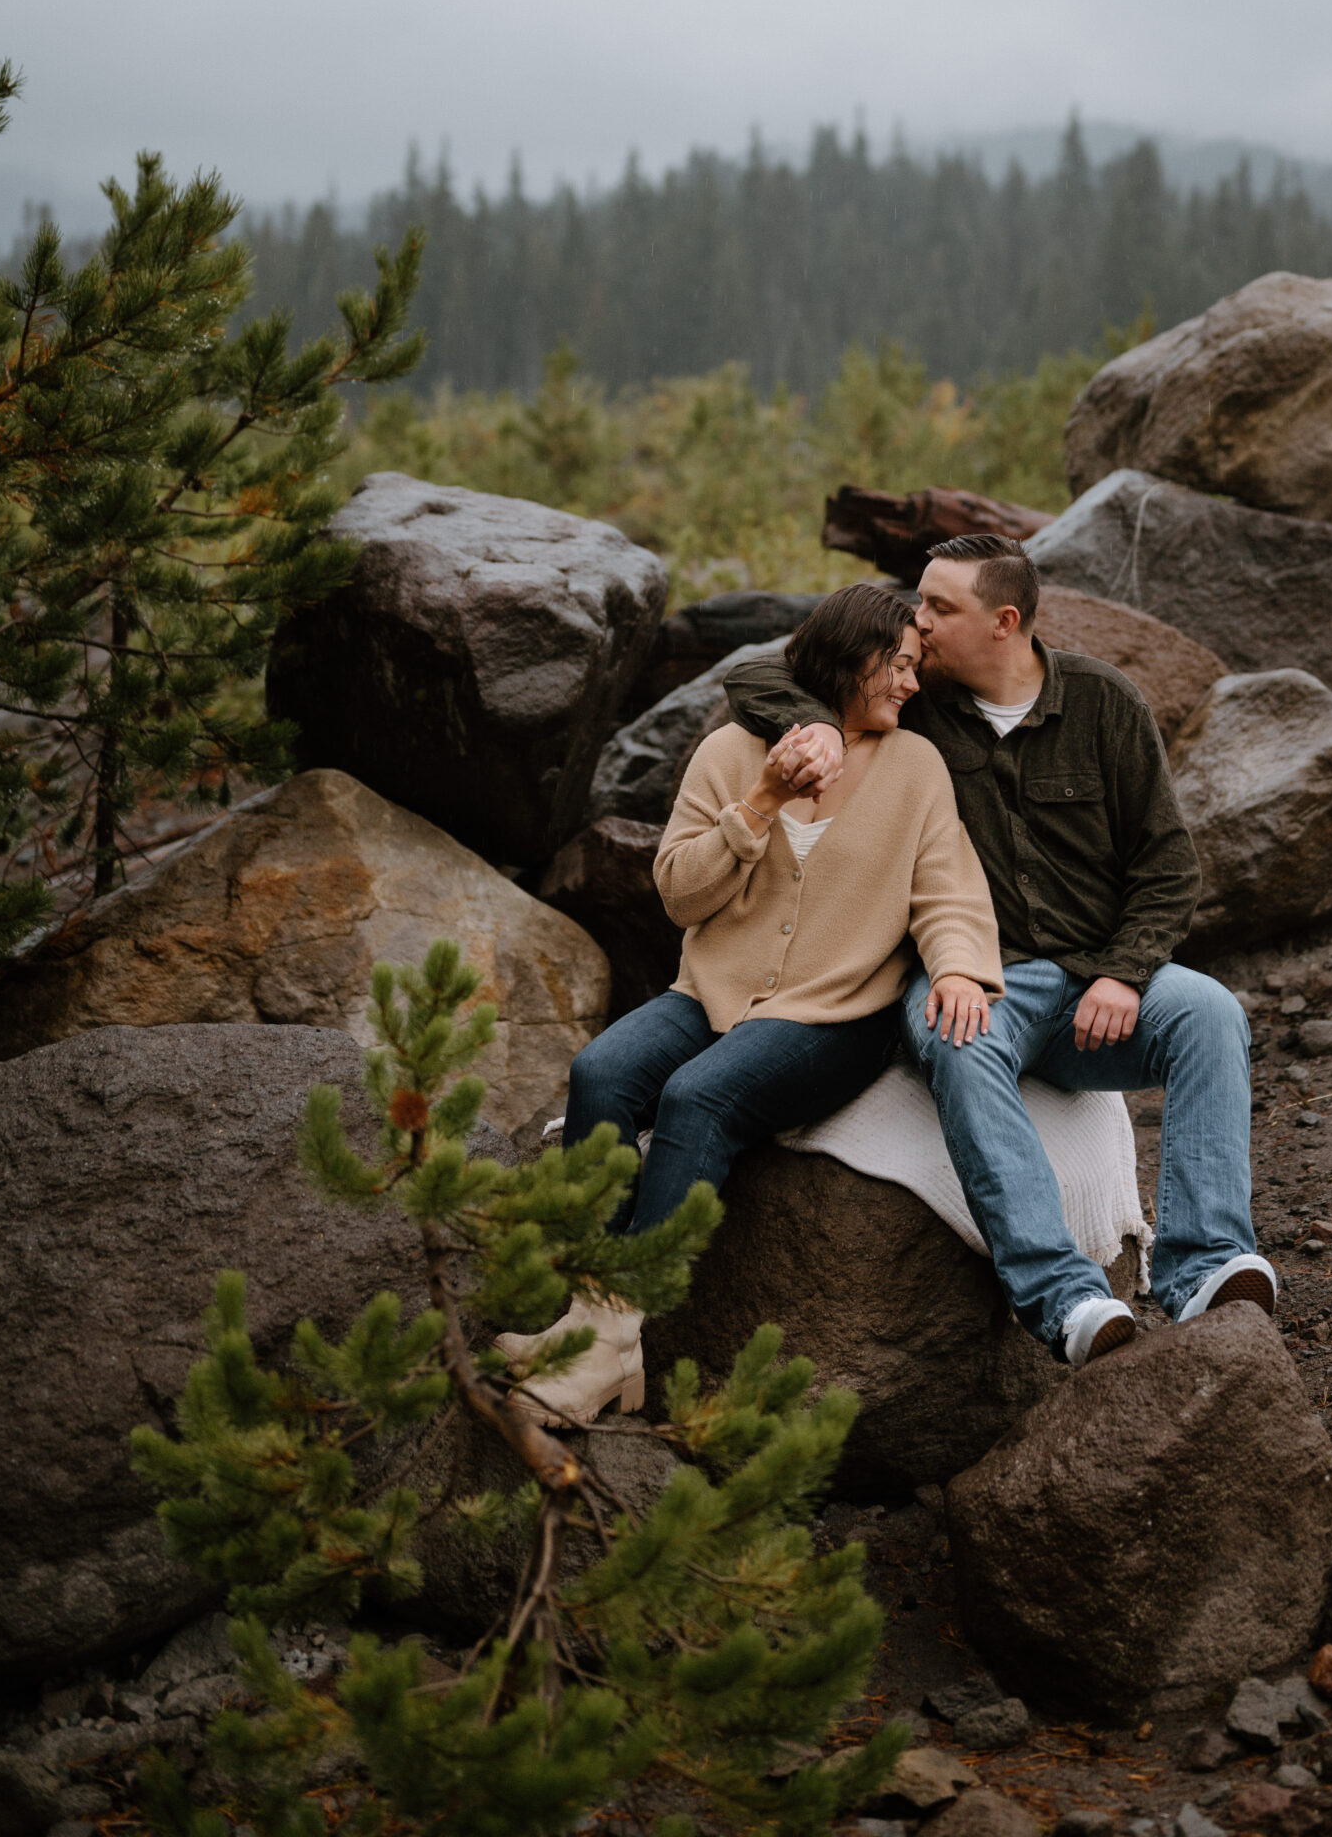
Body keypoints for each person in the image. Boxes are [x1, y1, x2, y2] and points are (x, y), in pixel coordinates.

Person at [724, 532, 1272, 1370]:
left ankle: (1200, 1266)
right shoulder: (913, 703)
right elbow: (757, 673)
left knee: (1207, 1011)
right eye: (919, 603)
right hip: (978, 975)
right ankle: (1065, 1298)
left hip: (1096, 983)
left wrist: (1124, 974)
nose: (919, 623)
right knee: (956, 1034)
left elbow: (1167, 867)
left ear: (1003, 622)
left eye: (940, 608)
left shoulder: (1102, 704)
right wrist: (813, 728)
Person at [497, 579, 1003, 1426]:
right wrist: (760, 801)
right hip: (712, 990)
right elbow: (679, 897)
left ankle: (613, 1337)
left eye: (917, 668)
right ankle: (591, 1326)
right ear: (851, 658)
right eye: (900, 666)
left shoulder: (915, 766)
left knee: (700, 1096)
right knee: (600, 1072)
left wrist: (957, 970)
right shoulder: (730, 753)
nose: (912, 685)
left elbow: (946, 891)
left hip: (833, 1014)